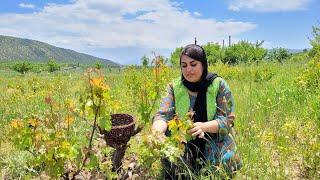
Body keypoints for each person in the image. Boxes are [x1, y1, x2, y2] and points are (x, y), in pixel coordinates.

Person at [152, 44, 241, 179]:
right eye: (184, 65)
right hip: (183, 139)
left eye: (193, 64)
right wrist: (156, 134)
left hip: (212, 137)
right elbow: (163, 115)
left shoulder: (218, 84)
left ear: (203, 64)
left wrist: (203, 126)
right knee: (176, 168)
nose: (188, 70)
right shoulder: (174, 87)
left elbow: (227, 120)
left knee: (225, 161)